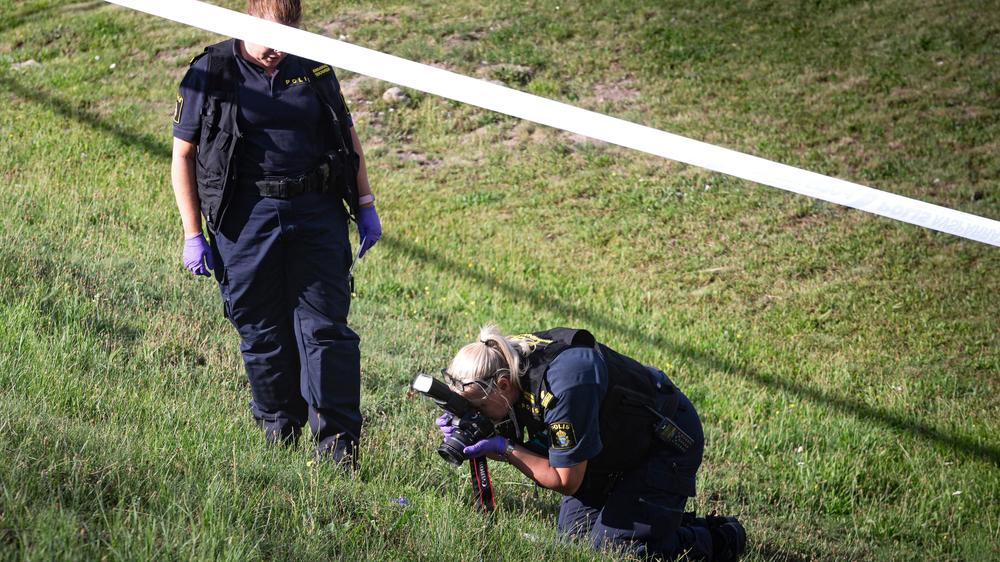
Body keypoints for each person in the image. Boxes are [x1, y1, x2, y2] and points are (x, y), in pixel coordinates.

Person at [169, 0, 380, 466]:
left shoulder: (313, 65)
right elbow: (182, 155)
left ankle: (338, 448)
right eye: (270, 41)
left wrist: (365, 205)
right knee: (262, 330)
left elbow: (347, 135)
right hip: (245, 219)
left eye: (288, 40)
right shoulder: (212, 70)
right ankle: (277, 434)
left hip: (316, 212)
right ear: (245, 22)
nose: (277, 53)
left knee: (326, 332)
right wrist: (193, 233)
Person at [436, 326, 746, 561]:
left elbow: (565, 480)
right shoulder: (503, 358)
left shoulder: (564, 388)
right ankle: (659, 519)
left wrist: (505, 448)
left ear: (503, 386)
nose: (477, 416)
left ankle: (721, 538)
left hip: (663, 444)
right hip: (607, 448)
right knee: (576, 545)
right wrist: (467, 422)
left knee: (616, 551)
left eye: (477, 408)